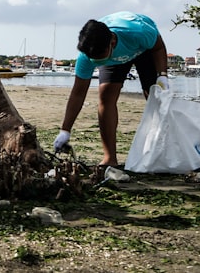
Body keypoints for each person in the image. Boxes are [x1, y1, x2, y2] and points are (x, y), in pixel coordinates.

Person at [53, 12, 169, 168]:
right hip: (115, 56)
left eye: (100, 57)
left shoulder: (139, 31)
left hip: (144, 50)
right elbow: (78, 93)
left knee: (155, 97)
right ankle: (110, 158)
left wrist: (162, 76)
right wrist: (65, 130)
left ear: (112, 42)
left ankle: (165, 151)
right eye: (94, 59)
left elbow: (159, 47)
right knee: (106, 96)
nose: (97, 61)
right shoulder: (88, 55)